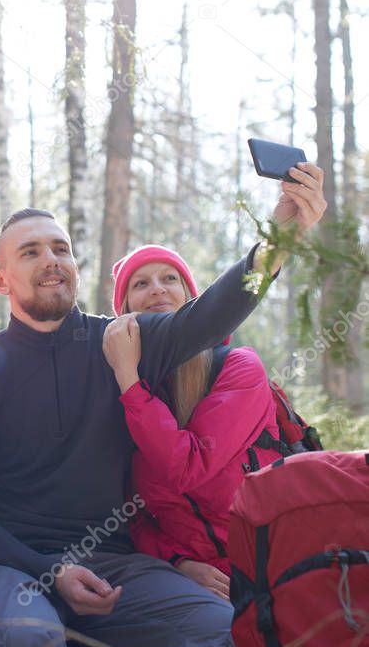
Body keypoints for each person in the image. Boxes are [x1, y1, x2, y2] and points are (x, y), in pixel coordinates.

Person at [0, 163, 326, 647]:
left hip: (116, 564)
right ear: (0, 279)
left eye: (60, 248)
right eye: (30, 252)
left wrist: (281, 234)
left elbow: (213, 313)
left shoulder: (122, 341)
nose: (50, 260)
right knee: (29, 641)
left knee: (228, 635)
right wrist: (51, 572)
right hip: (15, 568)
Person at [107, 243, 283, 602]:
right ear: (123, 313)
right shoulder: (114, 393)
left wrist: (129, 381)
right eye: (140, 284)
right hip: (187, 581)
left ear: (194, 300)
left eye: (169, 278)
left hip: (270, 568)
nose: (157, 288)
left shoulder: (238, 367)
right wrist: (177, 562)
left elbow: (189, 464)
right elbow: (132, 514)